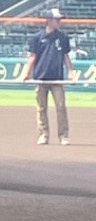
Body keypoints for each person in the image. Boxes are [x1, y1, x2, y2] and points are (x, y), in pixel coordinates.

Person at [21, 9, 73, 145]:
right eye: (57, 19)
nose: (59, 22)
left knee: (61, 107)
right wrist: (26, 73)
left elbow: (66, 57)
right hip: (41, 78)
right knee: (41, 108)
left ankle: (63, 136)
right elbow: (33, 57)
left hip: (57, 79)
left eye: (60, 19)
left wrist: (71, 73)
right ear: (49, 20)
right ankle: (43, 135)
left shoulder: (62, 38)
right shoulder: (37, 38)